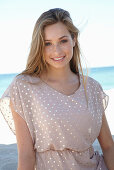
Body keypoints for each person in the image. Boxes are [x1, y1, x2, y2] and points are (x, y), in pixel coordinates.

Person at [0, 8, 114, 170]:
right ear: (39, 46)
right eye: (48, 44)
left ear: (74, 39)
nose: (57, 51)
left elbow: (108, 146)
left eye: (63, 41)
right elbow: (26, 155)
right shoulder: (23, 87)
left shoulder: (93, 88)